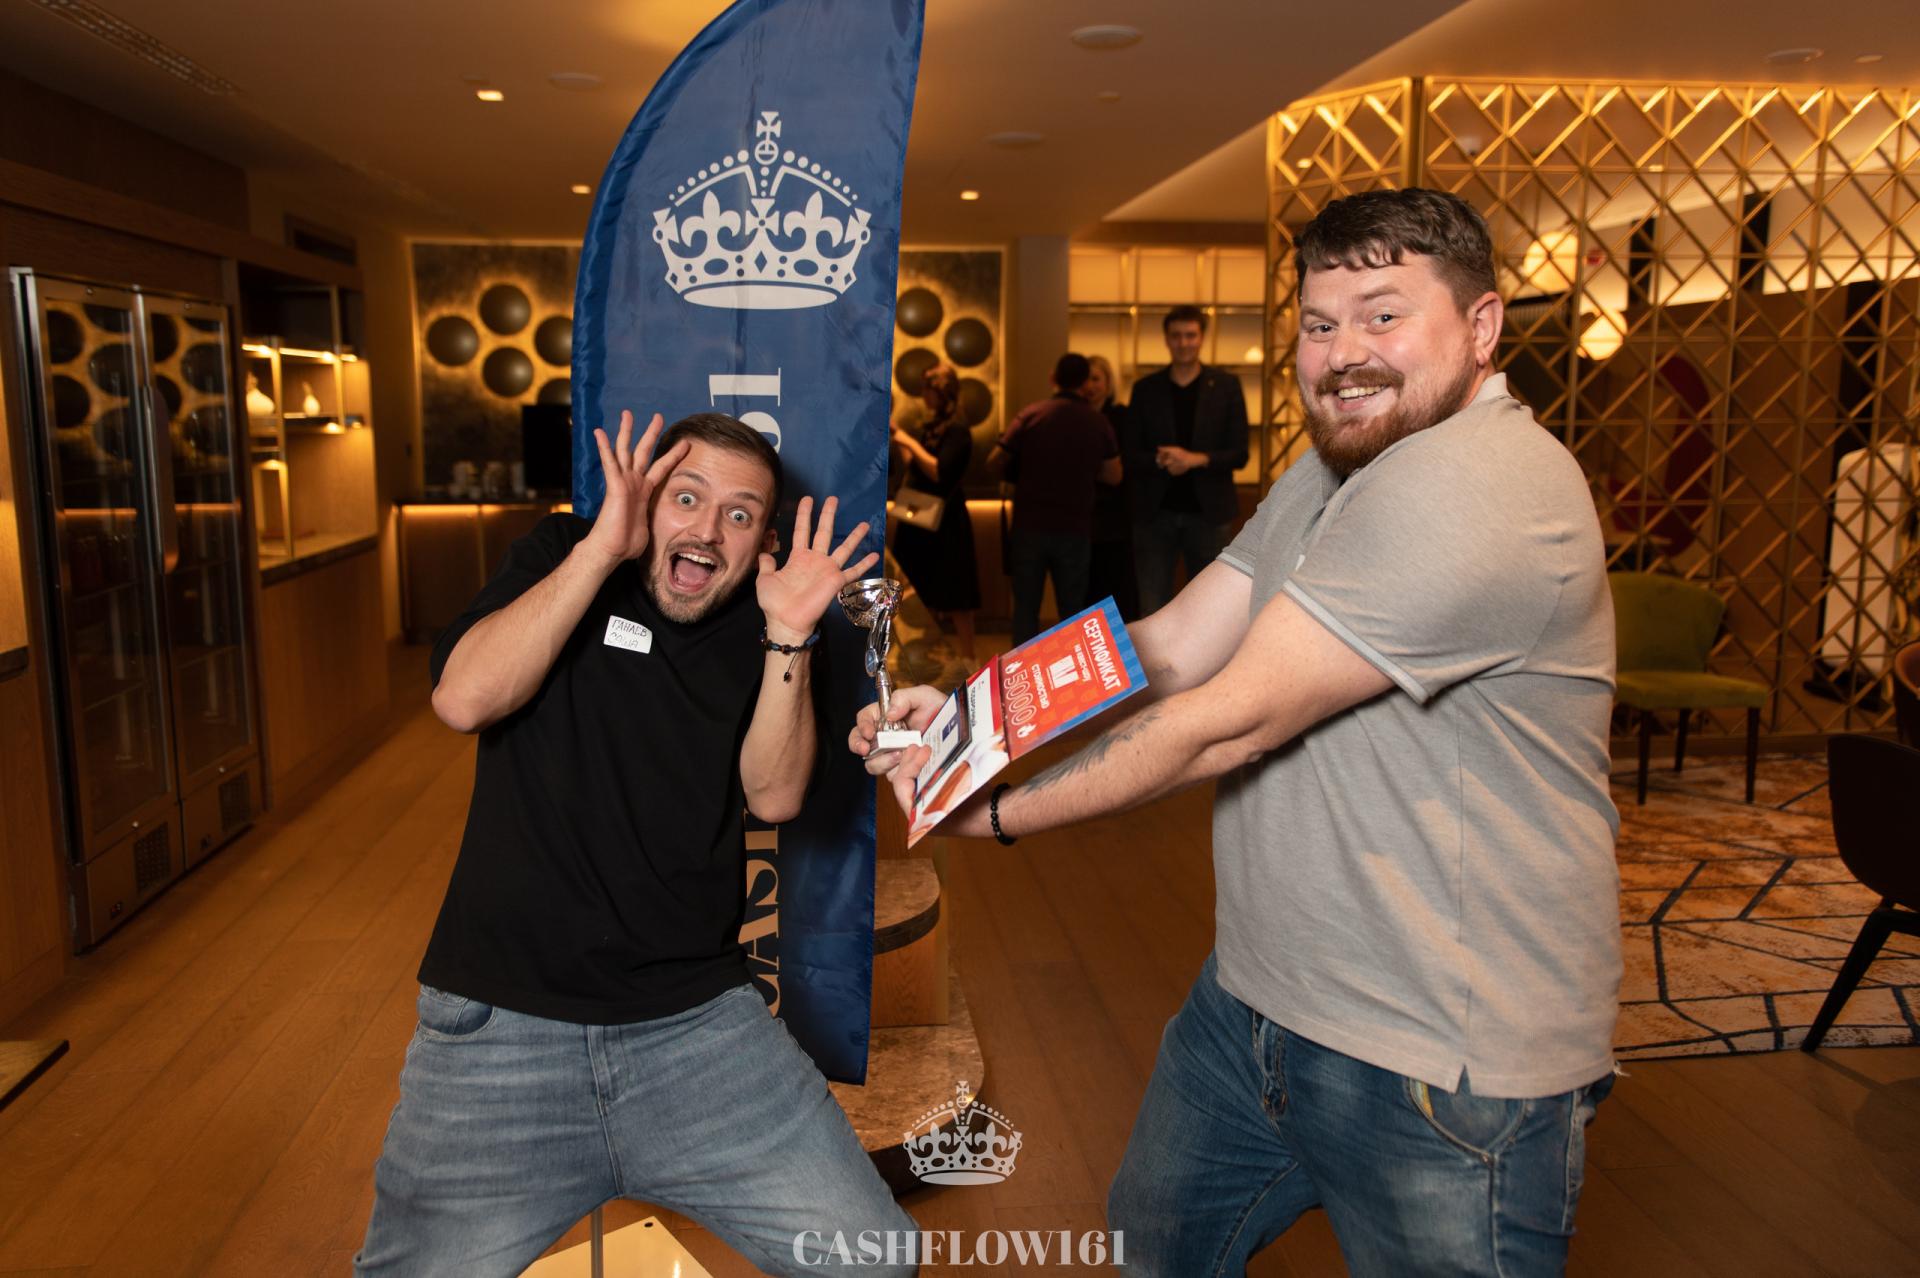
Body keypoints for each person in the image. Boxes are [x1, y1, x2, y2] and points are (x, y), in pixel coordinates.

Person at [856, 189, 1621, 1276]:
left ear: (1482, 326)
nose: (1343, 354)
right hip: (1258, 1001)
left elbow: (1229, 720)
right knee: (1157, 1241)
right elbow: (1168, 644)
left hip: (1437, 1055)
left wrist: (1000, 811)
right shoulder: (1334, 467)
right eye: (1320, 323)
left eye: (1384, 314)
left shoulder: (1481, 484)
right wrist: (974, 716)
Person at [355, 410, 914, 1278]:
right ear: (646, 501)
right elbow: (464, 699)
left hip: (698, 1029)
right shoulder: (561, 553)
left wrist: (791, 634)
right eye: (686, 498)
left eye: (738, 514)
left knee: (873, 1262)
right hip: (499, 1032)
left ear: (764, 541)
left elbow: (774, 794)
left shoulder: (776, 622)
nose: (707, 530)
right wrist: (599, 552)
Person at [1125, 304, 1250, 615]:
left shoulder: (1226, 386)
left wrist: (1195, 459)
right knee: (1152, 606)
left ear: (1202, 337)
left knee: (1209, 609)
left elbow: (1240, 453)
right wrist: (1162, 460)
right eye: (1176, 336)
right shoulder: (1145, 389)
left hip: (1210, 516)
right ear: (1166, 339)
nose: (1184, 343)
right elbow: (1129, 454)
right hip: (1154, 516)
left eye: (1190, 335)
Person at [990, 353, 1121, 644]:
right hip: (1075, 528)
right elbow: (1114, 475)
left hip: (1029, 526)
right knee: (1072, 611)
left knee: (1025, 608)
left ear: (1053, 378)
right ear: (1085, 383)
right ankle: (1069, 669)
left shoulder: (1032, 414)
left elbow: (995, 461)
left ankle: (1020, 668)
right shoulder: (1098, 422)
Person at [890, 363, 981, 660]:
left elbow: (939, 471)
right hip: (920, 517)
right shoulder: (932, 427)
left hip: (946, 521)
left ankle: (968, 657)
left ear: (942, 392)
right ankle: (924, 653)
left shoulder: (958, 431)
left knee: (956, 592)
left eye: (927, 389)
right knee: (919, 588)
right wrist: (900, 438)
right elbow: (916, 466)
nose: (923, 396)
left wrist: (907, 440)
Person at [1083, 354, 1140, 621]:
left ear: (1108, 383)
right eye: (1085, 379)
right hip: (1081, 522)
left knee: (1117, 592)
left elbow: (1125, 467)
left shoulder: (1122, 417)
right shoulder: (1074, 417)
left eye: (1096, 379)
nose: (1090, 386)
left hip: (1115, 519)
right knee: (1085, 595)